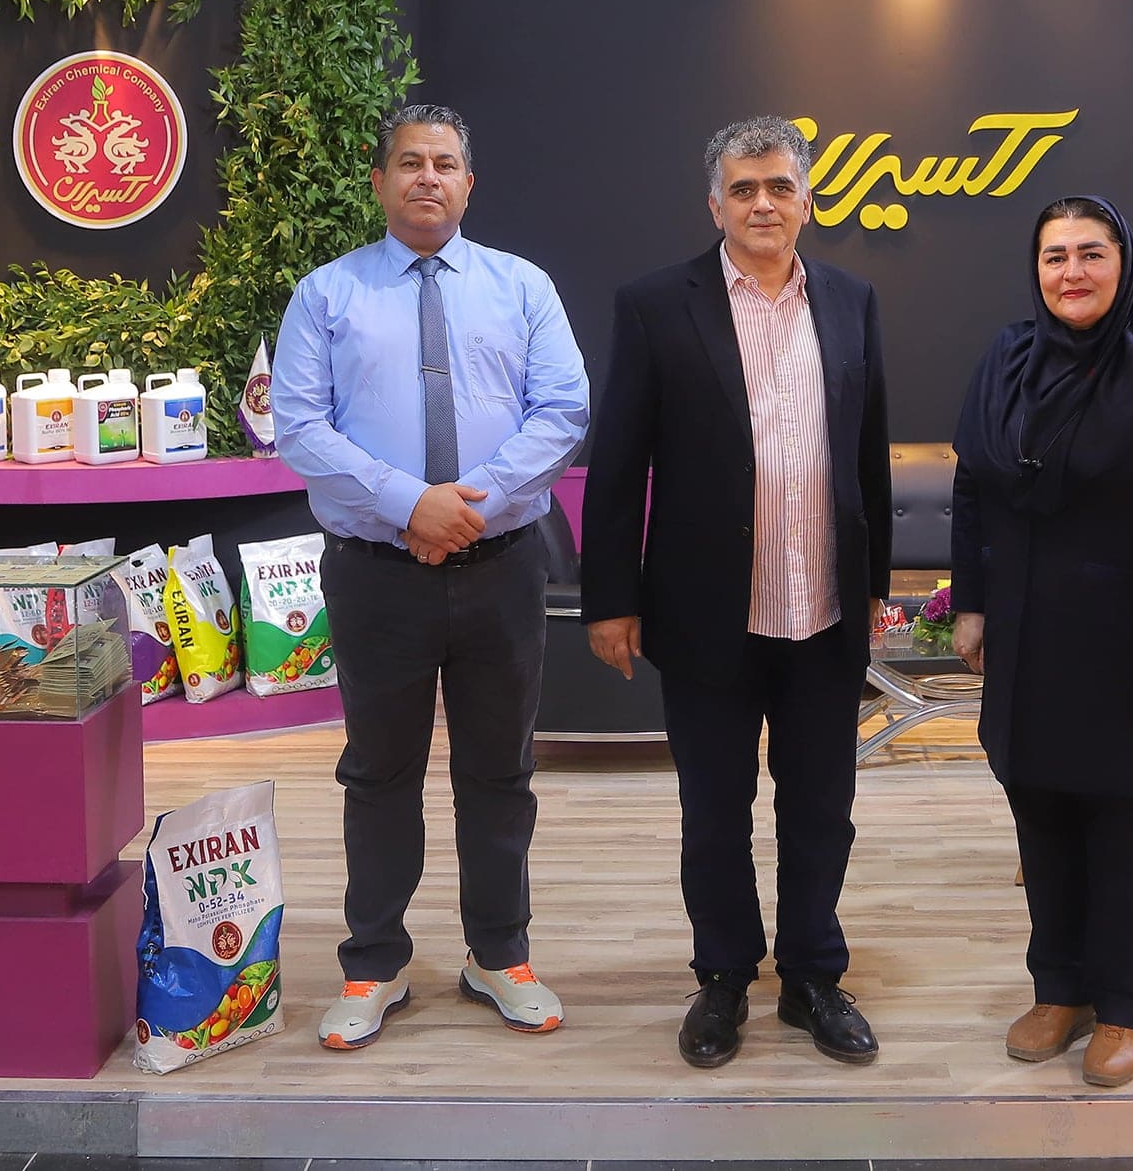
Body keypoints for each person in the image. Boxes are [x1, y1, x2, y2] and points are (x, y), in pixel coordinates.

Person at [272, 103, 590, 1051]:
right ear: (379, 181)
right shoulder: (326, 294)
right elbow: (300, 426)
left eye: (445, 163)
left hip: (501, 567)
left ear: (468, 183)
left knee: (500, 769)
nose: (427, 178)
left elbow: (563, 409)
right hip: (376, 573)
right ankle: (374, 963)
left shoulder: (522, 286)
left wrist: (465, 507)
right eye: (409, 162)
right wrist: (411, 503)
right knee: (378, 772)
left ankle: (500, 953)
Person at [582, 115, 892, 1070]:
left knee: (822, 809)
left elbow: (868, 455)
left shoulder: (851, 300)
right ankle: (721, 976)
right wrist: (611, 599)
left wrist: (874, 586)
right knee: (714, 813)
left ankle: (811, 976)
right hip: (705, 612)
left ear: (808, 201)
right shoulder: (654, 305)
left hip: (823, 610)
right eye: (745, 188)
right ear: (714, 203)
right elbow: (618, 463)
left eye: (780, 186)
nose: (764, 203)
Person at [949, 195, 1133, 1088]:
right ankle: (1061, 990)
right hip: (1029, 644)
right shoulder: (1007, 358)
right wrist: (973, 605)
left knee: (1125, 839)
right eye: (1055, 256)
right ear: (1035, 268)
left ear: (1124, 261)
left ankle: (1123, 1008)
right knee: (1042, 825)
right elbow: (975, 490)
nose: (1072, 271)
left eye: (1091, 252)